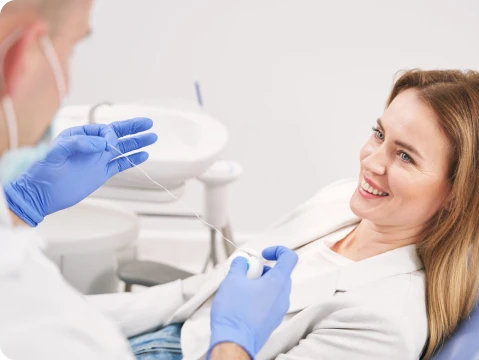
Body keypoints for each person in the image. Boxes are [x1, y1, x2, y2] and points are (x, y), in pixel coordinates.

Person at [87, 68, 479, 360]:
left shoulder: (384, 324)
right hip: (172, 332)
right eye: (379, 133)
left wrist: (233, 338)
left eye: (405, 156)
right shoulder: (344, 203)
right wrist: (79, 313)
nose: (371, 162)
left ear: (457, 193)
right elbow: (198, 293)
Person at [0, 1, 298, 359]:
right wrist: (234, 343)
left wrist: (20, 203)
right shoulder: (58, 335)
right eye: (72, 49)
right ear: (19, 57)